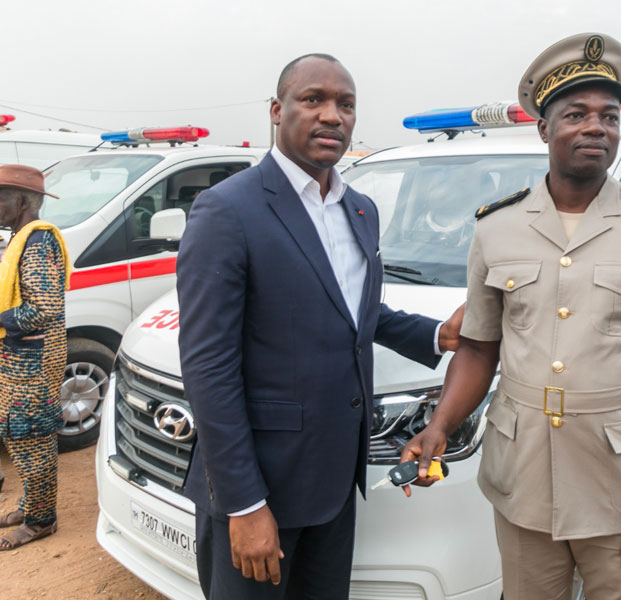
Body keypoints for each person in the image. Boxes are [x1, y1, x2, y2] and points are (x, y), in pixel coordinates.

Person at [401, 33, 621, 599]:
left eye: (609, 115)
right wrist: (440, 425)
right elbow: (477, 347)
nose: (596, 127)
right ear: (544, 128)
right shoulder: (497, 228)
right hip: (522, 477)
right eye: (576, 114)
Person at [176, 53, 463, 599]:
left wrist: (436, 335)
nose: (333, 115)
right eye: (314, 100)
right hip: (262, 485)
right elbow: (208, 368)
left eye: (346, 104)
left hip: (334, 475)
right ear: (277, 111)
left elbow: (351, 309)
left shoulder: (359, 209)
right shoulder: (228, 210)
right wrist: (244, 503)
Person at [0, 165, 70, 550]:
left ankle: (41, 521)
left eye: (0, 199)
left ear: (23, 201)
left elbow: (43, 308)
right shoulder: (19, 238)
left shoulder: (38, 242)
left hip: (33, 363)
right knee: (16, 434)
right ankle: (29, 504)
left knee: (33, 441)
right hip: (18, 359)